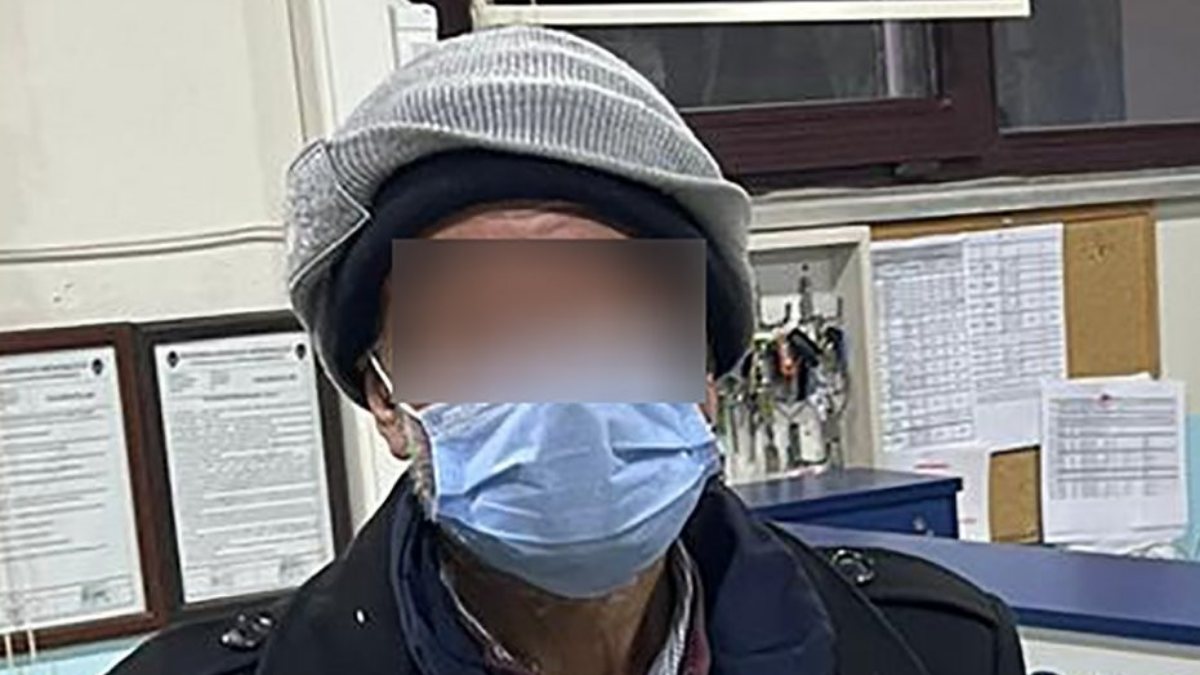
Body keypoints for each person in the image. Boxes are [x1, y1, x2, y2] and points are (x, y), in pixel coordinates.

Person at [111, 26, 1023, 675]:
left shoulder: (936, 649)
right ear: (386, 397)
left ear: (705, 372)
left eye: (612, 317)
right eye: (485, 330)